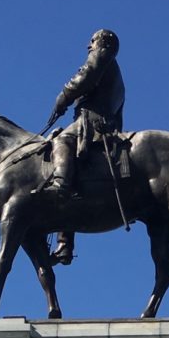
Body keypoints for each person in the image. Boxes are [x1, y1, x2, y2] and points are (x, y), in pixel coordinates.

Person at [46, 29, 125, 265]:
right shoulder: (116, 73)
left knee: (60, 140)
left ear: (104, 43)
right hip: (102, 122)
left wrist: (63, 97)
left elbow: (85, 75)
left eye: (92, 41)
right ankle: (64, 244)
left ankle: (60, 183)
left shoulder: (103, 55)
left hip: (93, 122)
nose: (88, 46)